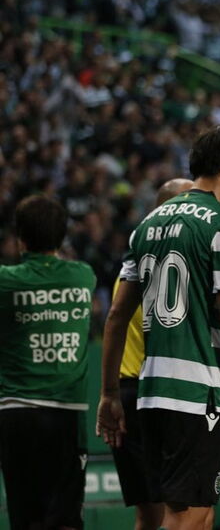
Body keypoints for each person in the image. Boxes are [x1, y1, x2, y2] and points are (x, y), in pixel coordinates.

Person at [97, 126, 220, 530]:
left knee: (190, 515)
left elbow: (115, 316)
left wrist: (109, 393)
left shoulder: (146, 226)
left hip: (149, 393)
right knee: (188, 516)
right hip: (196, 393)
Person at [0, 195, 96, 530]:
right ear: (62, 236)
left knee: (25, 519)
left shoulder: (6, 281)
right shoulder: (84, 277)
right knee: (66, 521)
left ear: (19, 239)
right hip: (66, 416)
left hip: (16, 413)